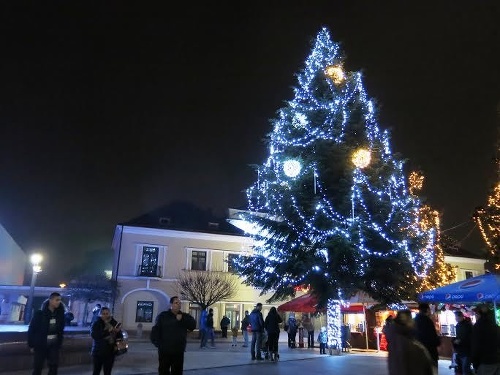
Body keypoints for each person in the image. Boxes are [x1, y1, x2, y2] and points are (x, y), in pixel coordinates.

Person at [150, 296, 196, 375]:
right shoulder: (163, 316)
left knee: (177, 372)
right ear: (171, 304)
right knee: (164, 371)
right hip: (165, 351)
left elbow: (193, 326)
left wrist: (182, 319)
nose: (178, 305)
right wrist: (158, 344)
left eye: (179, 303)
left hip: (178, 351)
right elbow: (155, 330)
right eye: (176, 303)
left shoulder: (185, 316)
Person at [385, 309, 434, 375]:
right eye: (410, 318)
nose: (413, 321)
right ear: (406, 321)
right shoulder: (409, 344)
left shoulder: (395, 340)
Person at [27, 292, 66, 375]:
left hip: (54, 345)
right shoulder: (40, 314)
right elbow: (32, 329)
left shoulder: (60, 315)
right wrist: (31, 344)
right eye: (57, 300)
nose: (59, 302)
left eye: (60, 300)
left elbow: (61, 331)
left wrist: (59, 343)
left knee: (54, 367)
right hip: (41, 344)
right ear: (50, 300)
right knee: (38, 367)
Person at [90, 306, 122, 375]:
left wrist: (118, 332)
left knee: (107, 372)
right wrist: (107, 331)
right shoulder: (97, 323)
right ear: (100, 314)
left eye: (107, 313)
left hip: (110, 352)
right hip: (98, 351)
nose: (105, 315)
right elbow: (94, 335)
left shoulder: (114, 323)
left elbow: (120, 336)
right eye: (103, 314)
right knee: (96, 371)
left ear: (109, 314)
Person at [471, 303, 500, 374]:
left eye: (476, 313)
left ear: (479, 314)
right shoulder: (495, 325)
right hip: (497, 360)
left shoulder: (478, 326)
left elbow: (476, 346)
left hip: (484, 362)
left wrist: (475, 362)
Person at [414, 303, 441, 370]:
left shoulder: (414, 320)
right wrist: (438, 341)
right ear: (427, 310)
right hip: (429, 352)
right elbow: (432, 337)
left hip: (418, 352)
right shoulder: (427, 321)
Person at [453, 311, 473, 375]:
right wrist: (455, 341)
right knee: (461, 369)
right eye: (455, 317)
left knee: (465, 370)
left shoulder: (468, 325)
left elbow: (469, 338)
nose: (455, 318)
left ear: (461, 316)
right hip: (459, 350)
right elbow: (458, 337)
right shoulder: (458, 325)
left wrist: (459, 341)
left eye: (456, 317)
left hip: (466, 351)